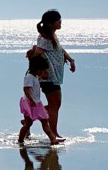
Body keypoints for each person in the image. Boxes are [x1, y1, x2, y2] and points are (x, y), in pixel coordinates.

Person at [27, 9, 76, 141]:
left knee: (55, 105)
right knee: (54, 105)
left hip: (55, 77)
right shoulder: (44, 38)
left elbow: (59, 49)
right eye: (58, 21)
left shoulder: (52, 36)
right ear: (50, 23)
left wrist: (70, 60)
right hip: (48, 77)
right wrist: (37, 71)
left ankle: (29, 118)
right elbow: (36, 55)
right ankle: (53, 134)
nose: (60, 23)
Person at [18, 54, 60, 145]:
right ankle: (20, 140)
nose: (42, 72)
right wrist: (30, 100)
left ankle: (53, 139)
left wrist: (45, 75)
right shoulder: (29, 77)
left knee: (45, 121)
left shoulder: (35, 77)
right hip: (30, 103)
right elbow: (26, 89)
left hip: (37, 103)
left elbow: (43, 78)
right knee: (28, 123)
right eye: (41, 70)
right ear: (35, 68)